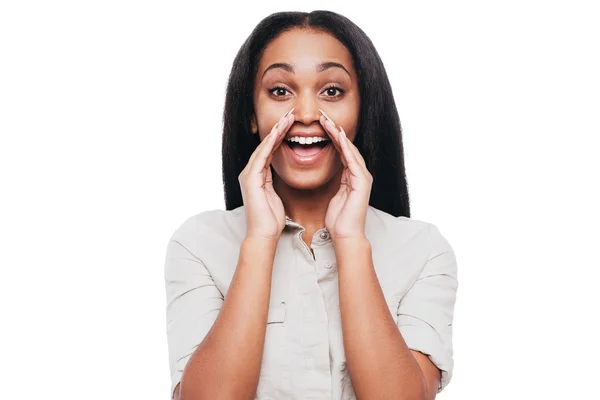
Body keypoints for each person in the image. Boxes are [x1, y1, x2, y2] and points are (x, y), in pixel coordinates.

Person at [164, 10, 458, 400]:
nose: (304, 115)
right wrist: (259, 239)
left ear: (362, 110)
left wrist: (350, 240)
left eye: (332, 91)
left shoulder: (422, 250)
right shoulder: (198, 244)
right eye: (280, 91)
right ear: (251, 114)